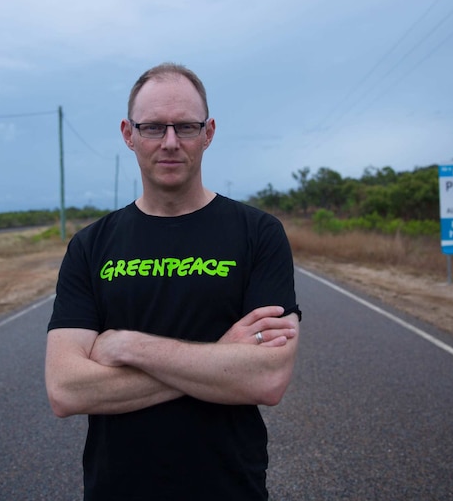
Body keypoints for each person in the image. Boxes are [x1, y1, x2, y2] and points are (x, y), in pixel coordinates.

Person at [45, 62, 301, 500]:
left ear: (209, 132)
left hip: (229, 488)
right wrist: (222, 360)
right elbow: (66, 389)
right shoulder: (90, 246)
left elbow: (267, 380)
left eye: (185, 126)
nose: (169, 143)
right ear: (128, 133)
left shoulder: (258, 233)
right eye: (152, 128)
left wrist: (128, 345)